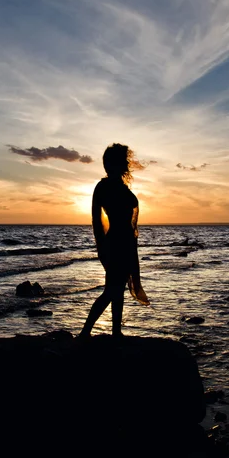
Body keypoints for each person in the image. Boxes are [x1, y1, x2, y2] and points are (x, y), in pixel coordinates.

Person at [78, 143, 149, 339]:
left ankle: (116, 331)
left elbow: (132, 224)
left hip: (127, 244)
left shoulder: (122, 188)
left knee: (118, 289)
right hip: (115, 243)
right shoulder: (103, 187)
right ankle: (85, 332)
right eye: (122, 161)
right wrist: (102, 247)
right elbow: (96, 220)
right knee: (111, 290)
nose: (126, 164)